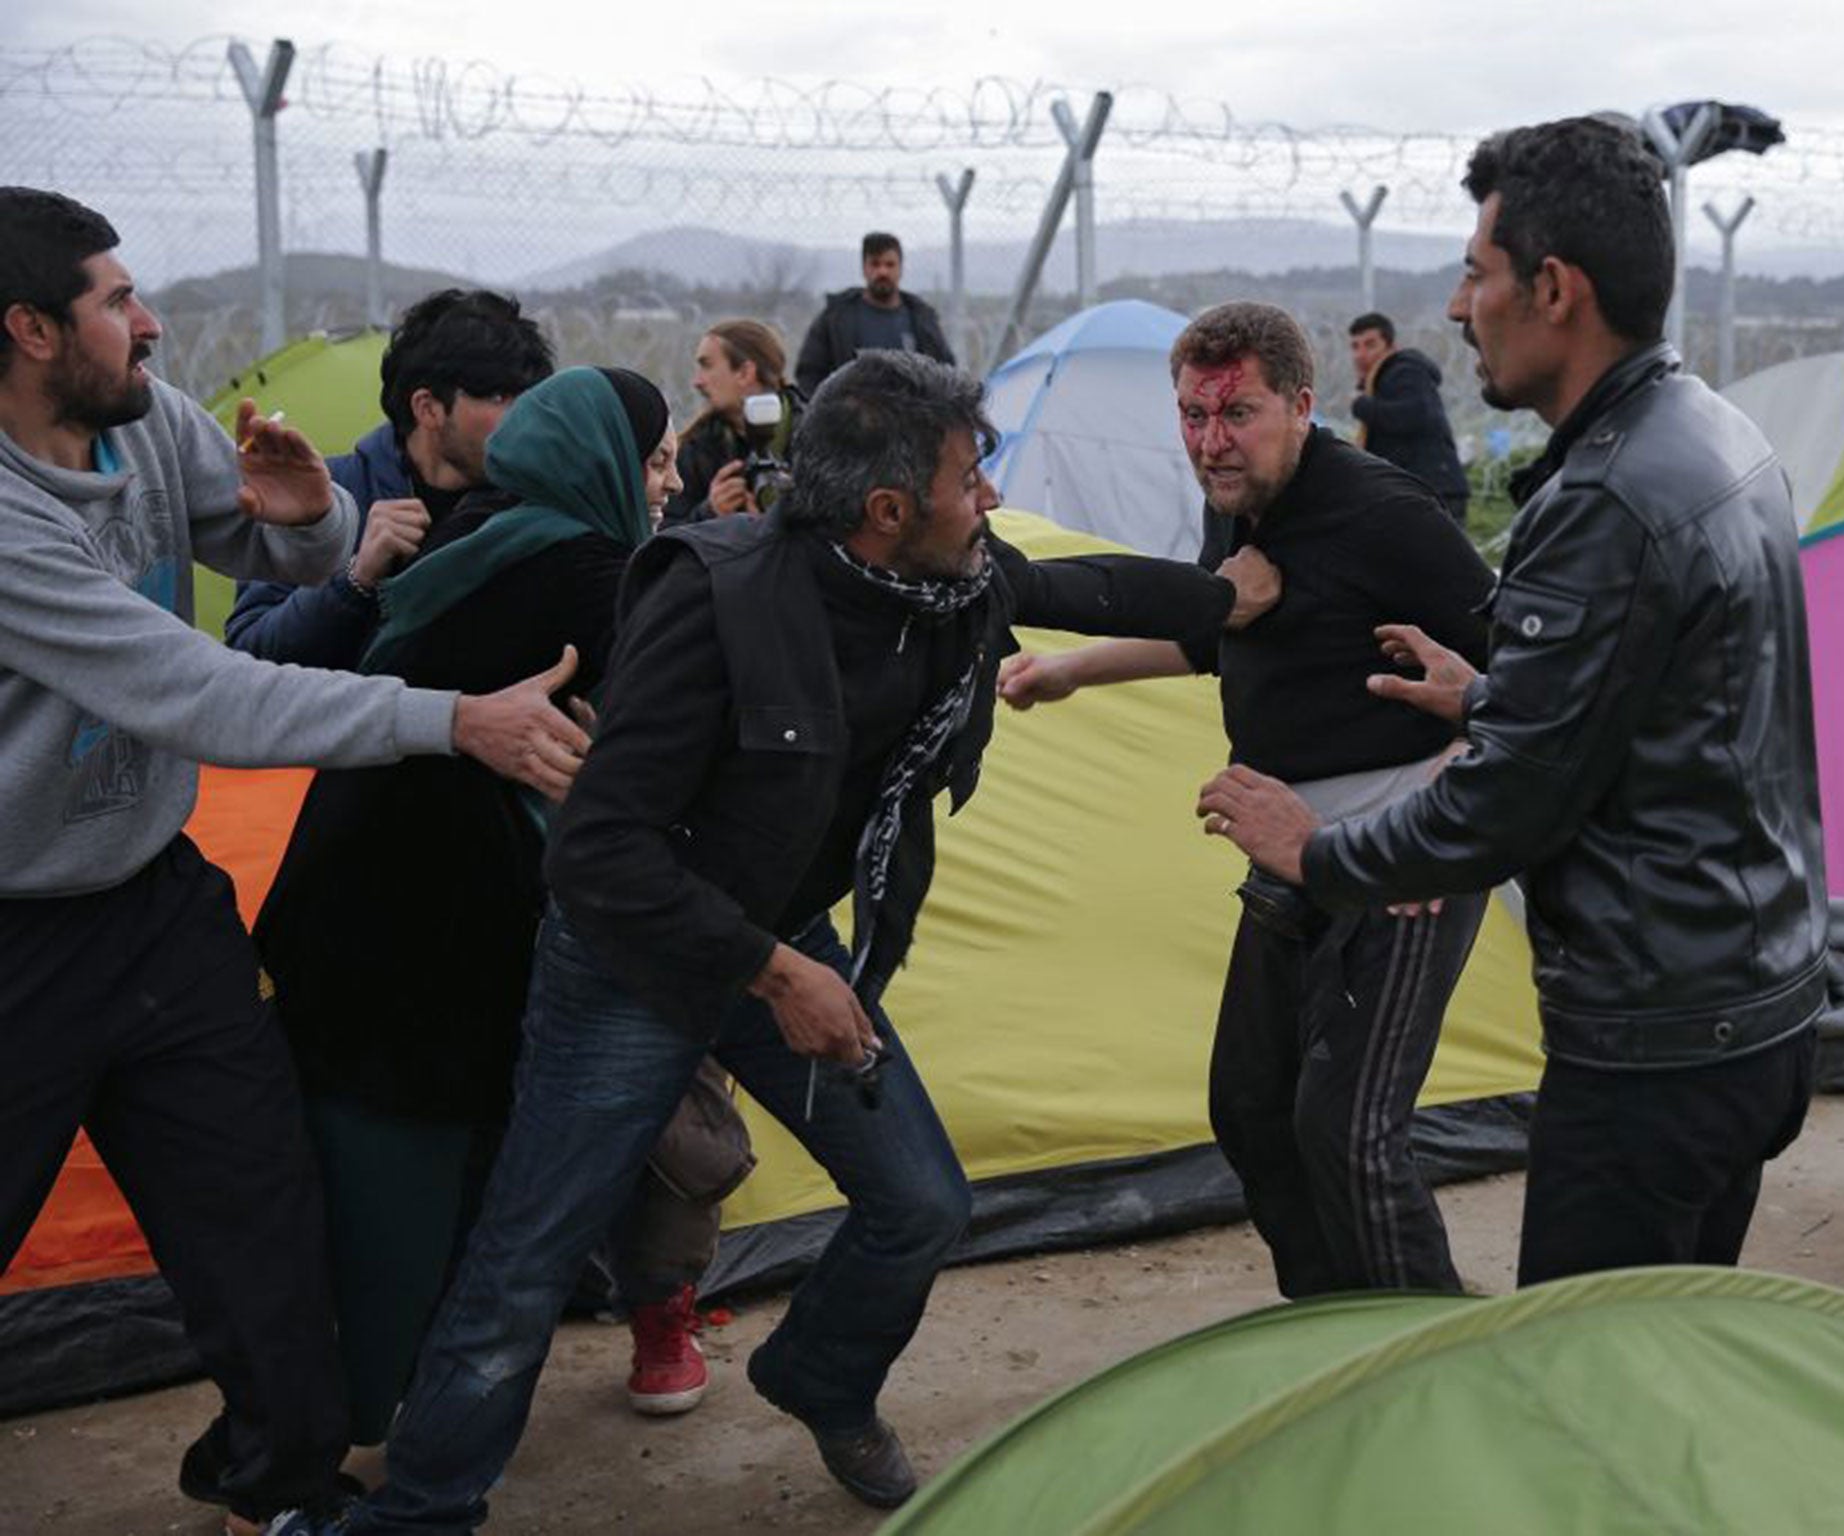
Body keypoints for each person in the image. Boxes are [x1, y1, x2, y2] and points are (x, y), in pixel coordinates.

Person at [305, 349, 1274, 1534]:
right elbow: (597, 853)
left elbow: (1094, 592)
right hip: (634, 960)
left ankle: (818, 1375)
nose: (989, 501)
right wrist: (775, 975)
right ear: (884, 510)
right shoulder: (713, 602)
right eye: (972, 479)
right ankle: (419, 1512)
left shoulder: (947, 574)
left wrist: (1239, 596)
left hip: (778, 938)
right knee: (525, 1259)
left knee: (918, 1203)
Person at [0, 186, 589, 1535]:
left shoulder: (146, 419)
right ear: (30, 329)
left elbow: (271, 539)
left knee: (261, 1224)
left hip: (154, 904)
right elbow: (208, 693)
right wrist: (454, 723)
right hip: (15, 933)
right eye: (113, 300)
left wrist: (313, 516)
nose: (148, 322)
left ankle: (275, 1487)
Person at [1194, 117, 1828, 1288]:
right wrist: (1491, 690)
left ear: (1551, 288)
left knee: (1579, 1394)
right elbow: (1669, 719)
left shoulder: (1603, 495)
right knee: (1666, 1346)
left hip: (1654, 1041)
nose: (1454, 307)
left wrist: (1315, 852)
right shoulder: (1713, 431)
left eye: (1476, 274)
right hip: (1756, 996)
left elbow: (1498, 812)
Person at [253, 367, 747, 1464]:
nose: (665, 483)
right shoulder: (593, 573)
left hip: (345, 900)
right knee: (419, 1212)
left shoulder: (477, 531)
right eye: (655, 458)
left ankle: (330, 1423)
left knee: (366, 1202)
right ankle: (319, 1452)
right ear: (606, 464)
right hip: (430, 939)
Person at [998, 301, 1494, 1297]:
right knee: (1250, 1106)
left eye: (1236, 416)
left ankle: (1434, 1355)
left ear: (1302, 407)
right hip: (1283, 846)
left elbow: (1524, 683)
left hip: (1399, 854)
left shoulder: (1386, 514)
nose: (1209, 442)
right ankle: (1326, 1316)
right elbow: (1210, 625)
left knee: (1347, 1129)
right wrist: (1070, 671)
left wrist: (1436, 823)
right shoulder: (1233, 498)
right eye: (1191, 416)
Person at [225, 289, 554, 667]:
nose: (524, 418)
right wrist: (356, 579)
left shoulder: (533, 503)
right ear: (428, 408)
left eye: (529, 399)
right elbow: (251, 655)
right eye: (498, 397)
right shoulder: (321, 496)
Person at [666, 318, 803, 524]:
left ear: (745, 373)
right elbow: (663, 538)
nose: (697, 382)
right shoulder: (697, 448)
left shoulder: (817, 440)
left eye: (707, 365)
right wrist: (709, 513)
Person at [794, 232, 954, 397]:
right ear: (864, 268)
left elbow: (945, 373)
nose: (882, 272)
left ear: (900, 268)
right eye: (875, 264)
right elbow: (809, 373)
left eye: (889, 264)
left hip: (910, 418)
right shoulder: (836, 319)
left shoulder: (922, 320)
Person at [1347, 312, 1470, 525]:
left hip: (1432, 493)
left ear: (1390, 346)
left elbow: (1411, 417)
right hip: (1412, 494)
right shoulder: (1381, 382)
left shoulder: (1405, 370)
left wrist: (1361, 405)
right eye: (1355, 347)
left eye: (1370, 345)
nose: (1361, 354)